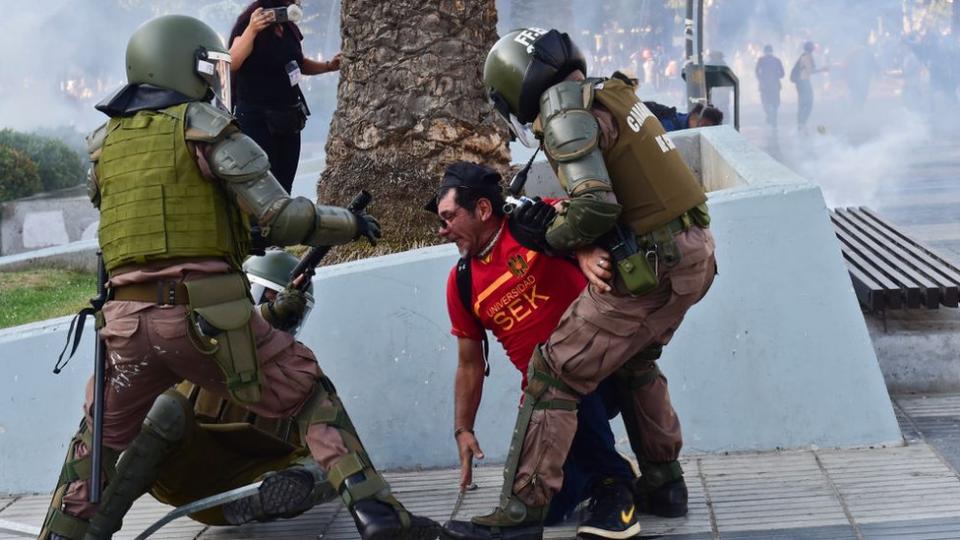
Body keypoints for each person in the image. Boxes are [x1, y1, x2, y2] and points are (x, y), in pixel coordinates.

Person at [39, 15, 439, 540]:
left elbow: (136, 224)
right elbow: (284, 217)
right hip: (202, 317)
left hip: (123, 325)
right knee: (307, 395)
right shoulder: (206, 127)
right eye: (207, 68)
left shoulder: (102, 146)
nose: (212, 80)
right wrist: (350, 222)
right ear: (186, 65)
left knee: (97, 443)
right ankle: (382, 518)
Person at [443, 27, 717, 540]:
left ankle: (522, 513)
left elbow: (594, 205)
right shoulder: (610, 92)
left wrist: (553, 241)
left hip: (654, 265)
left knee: (553, 371)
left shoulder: (564, 111)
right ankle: (664, 484)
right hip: (693, 252)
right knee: (637, 361)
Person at [425, 161, 639, 539]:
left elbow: (597, 218)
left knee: (562, 372)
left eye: (448, 217)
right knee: (550, 509)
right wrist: (463, 429)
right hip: (546, 406)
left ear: (483, 210)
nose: (442, 230)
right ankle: (595, 476)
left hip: (599, 371)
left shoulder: (533, 221)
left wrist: (586, 248)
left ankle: (614, 486)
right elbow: (469, 363)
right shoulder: (461, 282)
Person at [147, 250, 337, 528]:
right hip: (184, 471)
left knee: (333, 462)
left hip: (246, 487)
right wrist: (265, 316)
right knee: (156, 409)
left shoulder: (298, 367)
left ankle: (267, 496)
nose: (284, 316)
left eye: (291, 312)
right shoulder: (198, 341)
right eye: (266, 298)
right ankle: (90, 517)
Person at [229, 0, 341, 194]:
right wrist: (252, 30)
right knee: (262, 185)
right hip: (257, 119)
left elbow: (299, 63)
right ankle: (259, 225)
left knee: (284, 182)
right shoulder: (248, 22)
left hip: (288, 116)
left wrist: (328, 66)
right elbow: (232, 62)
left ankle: (283, 222)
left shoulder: (289, 27)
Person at [790, 41, 828, 133]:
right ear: (811, 48)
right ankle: (802, 124)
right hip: (803, 81)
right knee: (808, 103)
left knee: (803, 103)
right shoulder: (807, 56)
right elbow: (810, 71)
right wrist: (822, 70)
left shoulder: (804, 55)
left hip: (801, 81)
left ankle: (800, 125)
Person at [755, 44, 785, 128]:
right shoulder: (777, 60)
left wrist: (760, 79)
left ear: (764, 52)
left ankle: (769, 114)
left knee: (765, 102)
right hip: (775, 85)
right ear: (772, 51)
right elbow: (782, 74)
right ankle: (773, 117)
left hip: (764, 86)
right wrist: (776, 76)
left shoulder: (761, 60)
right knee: (775, 103)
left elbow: (757, 71)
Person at [644, 101, 723, 131]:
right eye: (703, 125)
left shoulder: (683, 125)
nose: (702, 129)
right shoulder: (670, 126)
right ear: (694, 116)